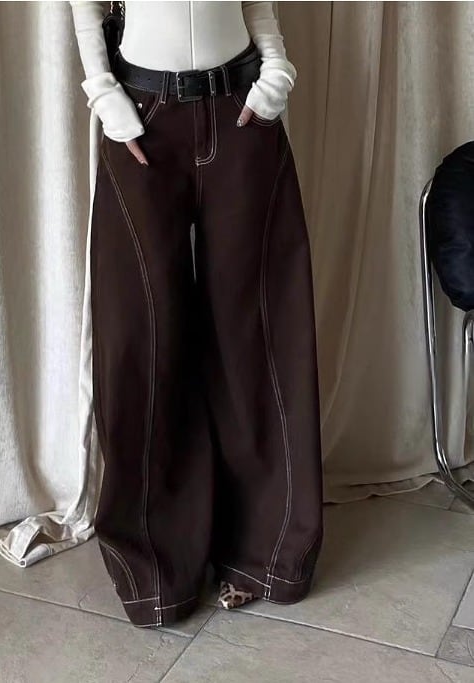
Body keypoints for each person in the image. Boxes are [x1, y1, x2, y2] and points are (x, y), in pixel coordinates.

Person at [70, 0, 324, 629]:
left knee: (258, 330)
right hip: (141, 118)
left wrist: (276, 71)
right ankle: (156, 569)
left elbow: (254, 2)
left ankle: (267, 553)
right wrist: (104, 93)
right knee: (143, 335)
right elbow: (85, 6)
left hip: (243, 109)